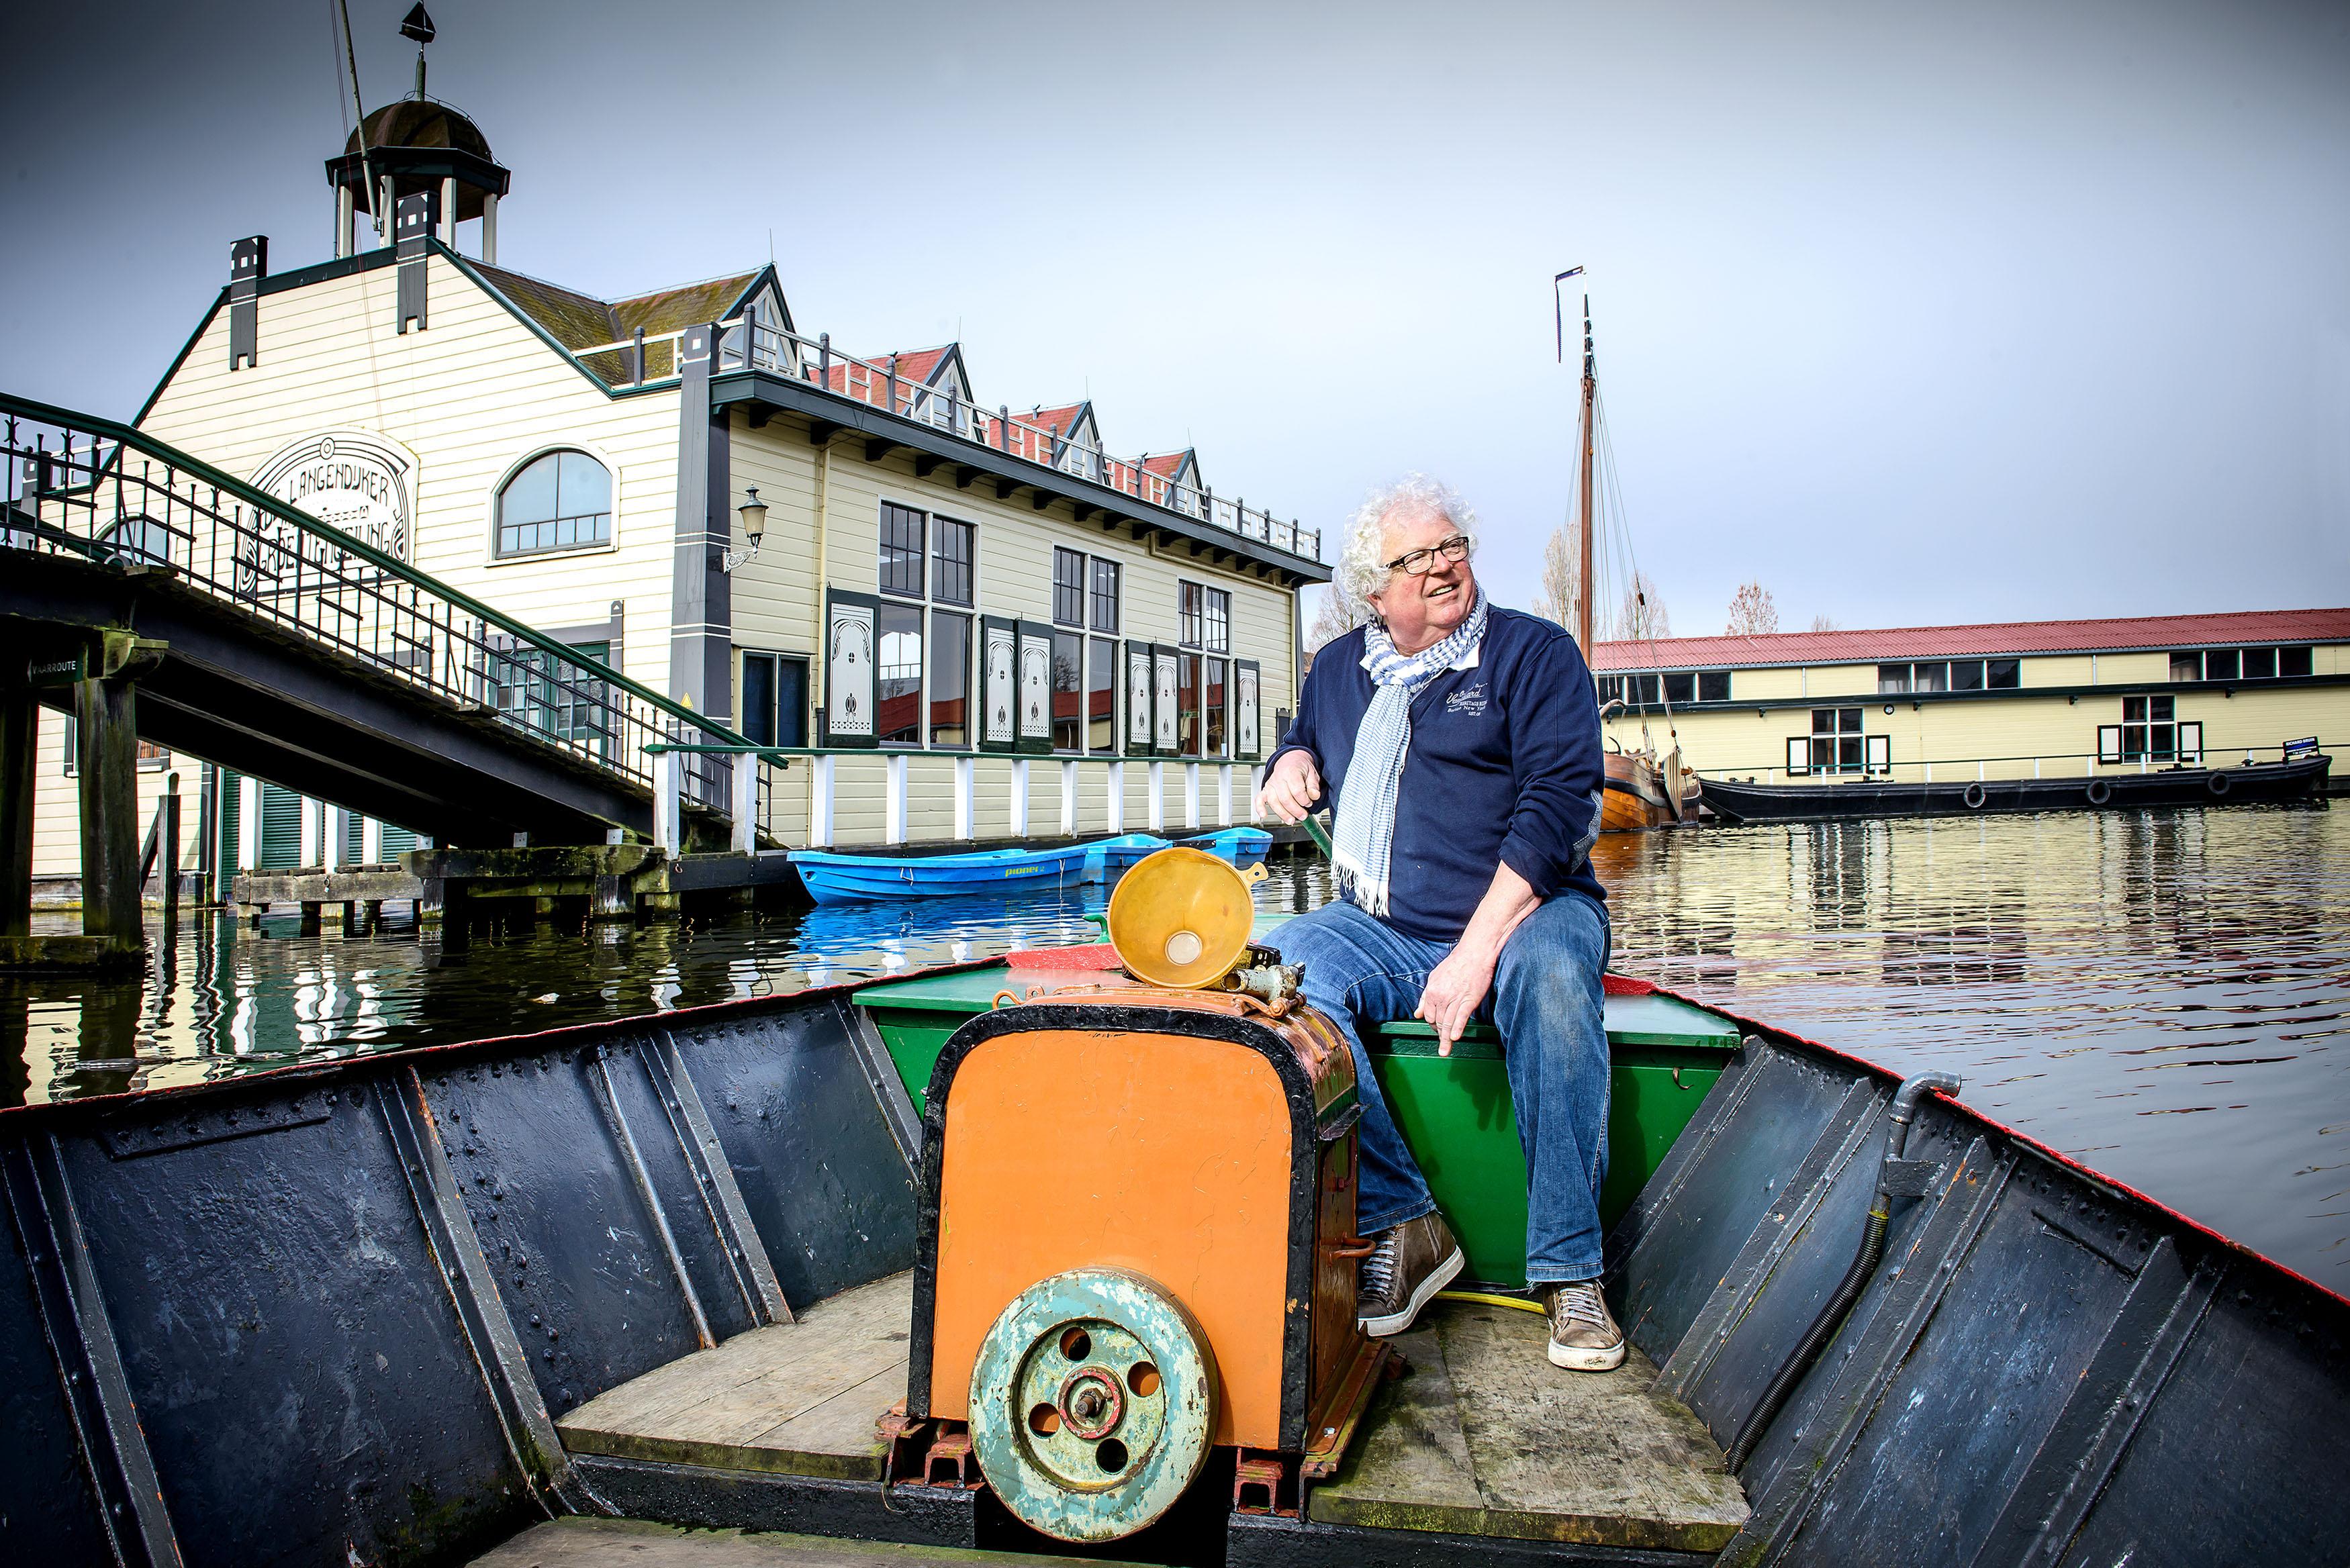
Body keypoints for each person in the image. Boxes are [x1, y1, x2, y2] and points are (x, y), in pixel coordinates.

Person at [1256, 475, 1619, 1371]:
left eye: (1452, 544)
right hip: (1385, 922)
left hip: (1535, 911)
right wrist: (1288, 762)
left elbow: (1558, 812)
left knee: (1556, 980)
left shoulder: (1534, 655)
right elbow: (1304, 738)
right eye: (1415, 557)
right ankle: (1405, 1219)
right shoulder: (1340, 667)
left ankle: (1572, 1273)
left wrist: (1475, 952)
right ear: (1373, 592)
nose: (1444, 564)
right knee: (1281, 970)